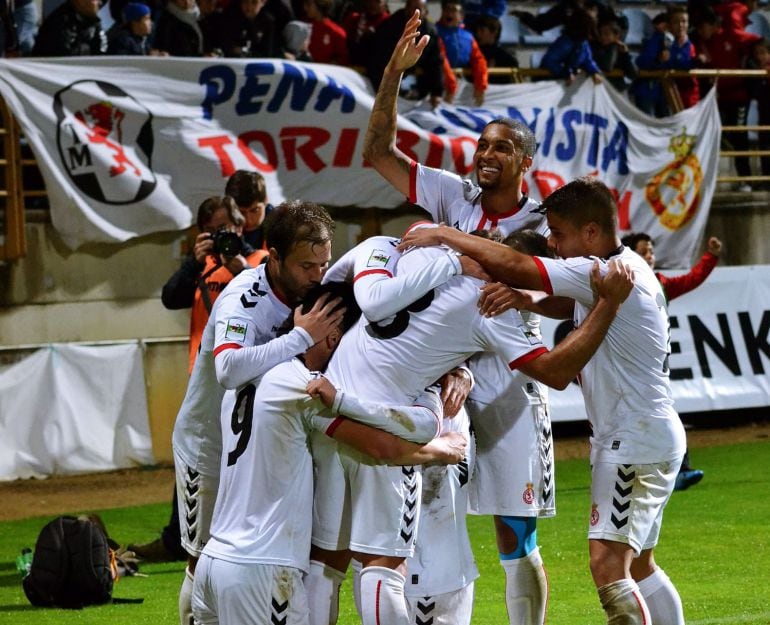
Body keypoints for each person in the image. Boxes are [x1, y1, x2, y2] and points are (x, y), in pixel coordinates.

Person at [308, 222, 634, 625]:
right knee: (384, 563)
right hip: (379, 418)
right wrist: (608, 306)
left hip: (319, 405)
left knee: (327, 557)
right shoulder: (491, 308)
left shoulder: (416, 252)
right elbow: (556, 372)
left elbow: (345, 293)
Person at [400, 176, 688, 625]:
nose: (552, 243)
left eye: (558, 233)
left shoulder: (596, 272)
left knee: (607, 566)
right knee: (640, 565)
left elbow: (519, 267)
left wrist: (446, 235)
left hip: (630, 441)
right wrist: (526, 300)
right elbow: (567, 300)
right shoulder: (624, 265)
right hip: (653, 432)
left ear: (591, 233)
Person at [191, 281, 467, 625]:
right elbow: (382, 446)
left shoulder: (252, 372)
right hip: (261, 568)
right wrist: (442, 447)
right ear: (335, 337)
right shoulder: (304, 387)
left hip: (213, 561)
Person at [171, 200, 343, 625]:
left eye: (324, 264)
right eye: (308, 266)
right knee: (204, 558)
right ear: (274, 256)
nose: (318, 275)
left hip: (262, 445)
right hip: (209, 446)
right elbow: (228, 368)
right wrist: (300, 338)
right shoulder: (245, 298)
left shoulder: (315, 286)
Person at [622, 231, 724, 492]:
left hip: (650, 366)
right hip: (626, 365)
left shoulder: (659, 283)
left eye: (651, 251)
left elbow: (691, 280)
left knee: (659, 414)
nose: (650, 256)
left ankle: (674, 470)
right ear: (630, 254)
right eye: (644, 251)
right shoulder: (619, 284)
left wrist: (710, 257)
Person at [162, 196, 268, 373]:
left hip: (246, 366)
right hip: (203, 368)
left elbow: (272, 309)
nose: (218, 236)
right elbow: (170, 299)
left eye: (222, 229)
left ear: (239, 227)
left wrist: (243, 271)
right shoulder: (202, 265)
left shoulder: (260, 261)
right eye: (210, 231)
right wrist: (193, 263)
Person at [367, 0, 454, 109]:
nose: (415, 12)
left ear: (425, 11)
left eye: (419, 9)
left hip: (416, 91)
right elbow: (378, 58)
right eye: (412, 8)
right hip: (387, 87)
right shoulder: (390, 26)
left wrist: (436, 93)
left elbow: (436, 62)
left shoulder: (430, 31)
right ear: (406, 8)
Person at [633, 6, 698, 118]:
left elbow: (678, 64)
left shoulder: (684, 44)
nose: (681, 25)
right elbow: (641, 62)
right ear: (668, 24)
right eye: (676, 22)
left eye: (684, 21)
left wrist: (696, 62)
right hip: (648, 92)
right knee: (648, 129)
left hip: (665, 94)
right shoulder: (658, 39)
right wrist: (658, 60)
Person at [435, 0, 488, 105]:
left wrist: (480, 86)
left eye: (454, 10)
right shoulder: (434, 32)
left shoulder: (468, 36)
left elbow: (479, 60)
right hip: (440, 84)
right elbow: (440, 58)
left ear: (461, 16)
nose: (449, 13)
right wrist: (451, 85)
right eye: (446, 9)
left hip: (461, 84)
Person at [539, 6, 602, 85]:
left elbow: (587, 60)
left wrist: (594, 72)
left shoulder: (583, 43)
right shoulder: (565, 42)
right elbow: (548, 61)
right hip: (551, 82)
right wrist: (565, 73)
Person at [31, 0, 106, 56]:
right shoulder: (60, 22)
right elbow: (63, 56)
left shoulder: (93, 21)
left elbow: (102, 50)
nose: (99, 3)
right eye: (95, 0)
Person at [223, 170, 272, 251]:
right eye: (241, 212)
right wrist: (198, 262)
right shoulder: (219, 226)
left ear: (266, 200)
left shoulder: (283, 226)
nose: (248, 219)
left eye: (255, 210)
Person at [214, 0, 278, 58]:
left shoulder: (268, 22)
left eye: (254, 2)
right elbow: (226, 45)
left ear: (263, 2)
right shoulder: (232, 19)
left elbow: (268, 51)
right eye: (245, 2)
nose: (249, 7)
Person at [591, 16, 637, 94]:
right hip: (600, 91)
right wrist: (612, 47)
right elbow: (607, 66)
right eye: (601, 34)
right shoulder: (596, 49)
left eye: (606, 34)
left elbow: (632, 74)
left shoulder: (621, 51)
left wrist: (625, 54)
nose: (603, 37)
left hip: (617, 91)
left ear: (616, 36)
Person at [473, 15, 519, 84]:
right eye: (477, 30)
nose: (478, 34)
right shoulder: (472, 53)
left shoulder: (506, 58)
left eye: (482, 30)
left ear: (494, 32)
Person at [302, 0, 348, 65]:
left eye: (308, 4)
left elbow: (342, 59)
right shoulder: (302, 26)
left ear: (320, 5)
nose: (304, 7)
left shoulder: (336, 31)